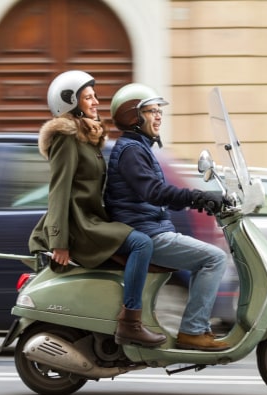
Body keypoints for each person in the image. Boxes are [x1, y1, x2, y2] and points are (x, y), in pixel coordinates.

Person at [28, 71, 166, 348]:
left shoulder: (85, 136)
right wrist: (60, 242)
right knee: (141, 244)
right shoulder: (66, 138)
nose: (95, 101)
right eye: (88, 96)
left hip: (91, 219)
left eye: (94, 96)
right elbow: (59, 191)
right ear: (70, 102)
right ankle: (130, 323)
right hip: (79, 225)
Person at [105, 83, 230, 351]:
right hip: (145, 232)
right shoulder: (130, 151)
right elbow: (153, 191)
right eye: (151, 111)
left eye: (159, 111)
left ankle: (195, 328)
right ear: (132, 116)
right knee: (214, 258)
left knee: (207, 257)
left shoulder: (138, 148)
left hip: (151, 227)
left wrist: (203, 201)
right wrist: (197, 198)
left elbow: (155, 194)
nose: (159, 116)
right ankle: (193, 331)